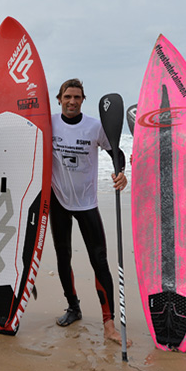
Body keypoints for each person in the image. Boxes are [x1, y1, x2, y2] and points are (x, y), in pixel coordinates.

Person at [50, 79, 128, 343]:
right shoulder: (48, 123)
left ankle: (108, 324)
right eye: (68, 97)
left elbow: (116, 151)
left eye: (78, 97)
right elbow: (22, 141)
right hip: (58, 199)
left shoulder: (95, 126)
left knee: (100, 261)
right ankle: (73, 306)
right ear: (59, 99)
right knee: (63, 257)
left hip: (87, 203)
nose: (72, 101)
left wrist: (121, 172)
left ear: (83, 100)